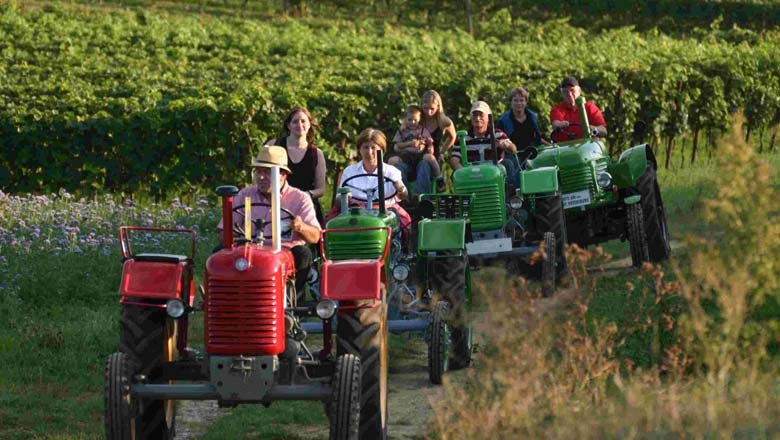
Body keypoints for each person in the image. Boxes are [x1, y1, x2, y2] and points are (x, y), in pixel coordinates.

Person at [218, 146, 321, 301]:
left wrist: (301, 227)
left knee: (303, 254)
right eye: (258, 172)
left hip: (285, 251)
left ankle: (294, 307)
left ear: (283, 175)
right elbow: (224, 232)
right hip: (249, 249)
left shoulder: (300, 198)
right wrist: (233, 236)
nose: (261, 177)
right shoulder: (245, 195)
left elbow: (315, 237)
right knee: (219, 253)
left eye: (267, 172)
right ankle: (225, 303)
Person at [331, 128, 411, 234]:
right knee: (329, 223)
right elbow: (338, 201)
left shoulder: (391, 172)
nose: (369, 152)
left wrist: (400, 187)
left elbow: (403, 195)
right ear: (359, 149)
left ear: (381, 150)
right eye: (365, 147)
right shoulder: (349, 172)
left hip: (385, 210)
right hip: (355, 211)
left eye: (373, 147)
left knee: (406, 223)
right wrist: (344, 197)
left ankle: (401, 248)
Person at [265, 107, 326, 225]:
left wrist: (305, 196)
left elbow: (321, 189)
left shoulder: (317, 154)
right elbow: (261, 172)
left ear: (309, 124)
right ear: (288, 126)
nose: (299, 124)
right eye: (295, 121)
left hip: (306, 208)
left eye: (303, 121)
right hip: (276, 204)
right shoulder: (273, 146)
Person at [451, 101, 519, 190]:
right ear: (471, 118)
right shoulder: (463, 138)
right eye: (475, 115)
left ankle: (511, 198)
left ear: (488, 118)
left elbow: (513, 149)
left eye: (481, 115)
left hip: (493, 170)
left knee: (508, 163)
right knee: (455, 175)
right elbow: (454, 159)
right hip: (471, 172)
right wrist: (463, 172)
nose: (478, 118)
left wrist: (506, 145)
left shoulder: (497, 134)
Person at [388, 105, 440, 195]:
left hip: (420, 157)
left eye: (415, 120)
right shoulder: (402, 131)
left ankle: (421, 196)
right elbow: (396, 146)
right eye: (410, 120)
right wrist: (410, 144)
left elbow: (429, 141)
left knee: (426, 163)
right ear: (405, 119)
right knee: (396, 165)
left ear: (419, 119)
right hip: (406, 158)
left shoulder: (423, 130)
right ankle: (404, 196)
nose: (412, 122)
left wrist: (430, 146)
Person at [550, 76, 607, 143]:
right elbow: (555, 124)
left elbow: (603, 131)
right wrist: (561, 124)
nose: (569, 94)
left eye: (572, 90)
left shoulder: (590, 108)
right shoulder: (557, 109)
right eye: (565, 91)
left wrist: (594, 129)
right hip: (566, 148)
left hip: (587, 147)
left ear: (579, 91)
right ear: (562, 94)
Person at [420, 90, 458, 170]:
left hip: (434, 157)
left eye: (432, 109)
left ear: (438, 107)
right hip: (416, 154)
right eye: (425, 108)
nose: (428, 112)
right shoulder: (418, 119)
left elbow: (453, 137)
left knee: (425, 165)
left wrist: (442, 151)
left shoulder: (444, 121)